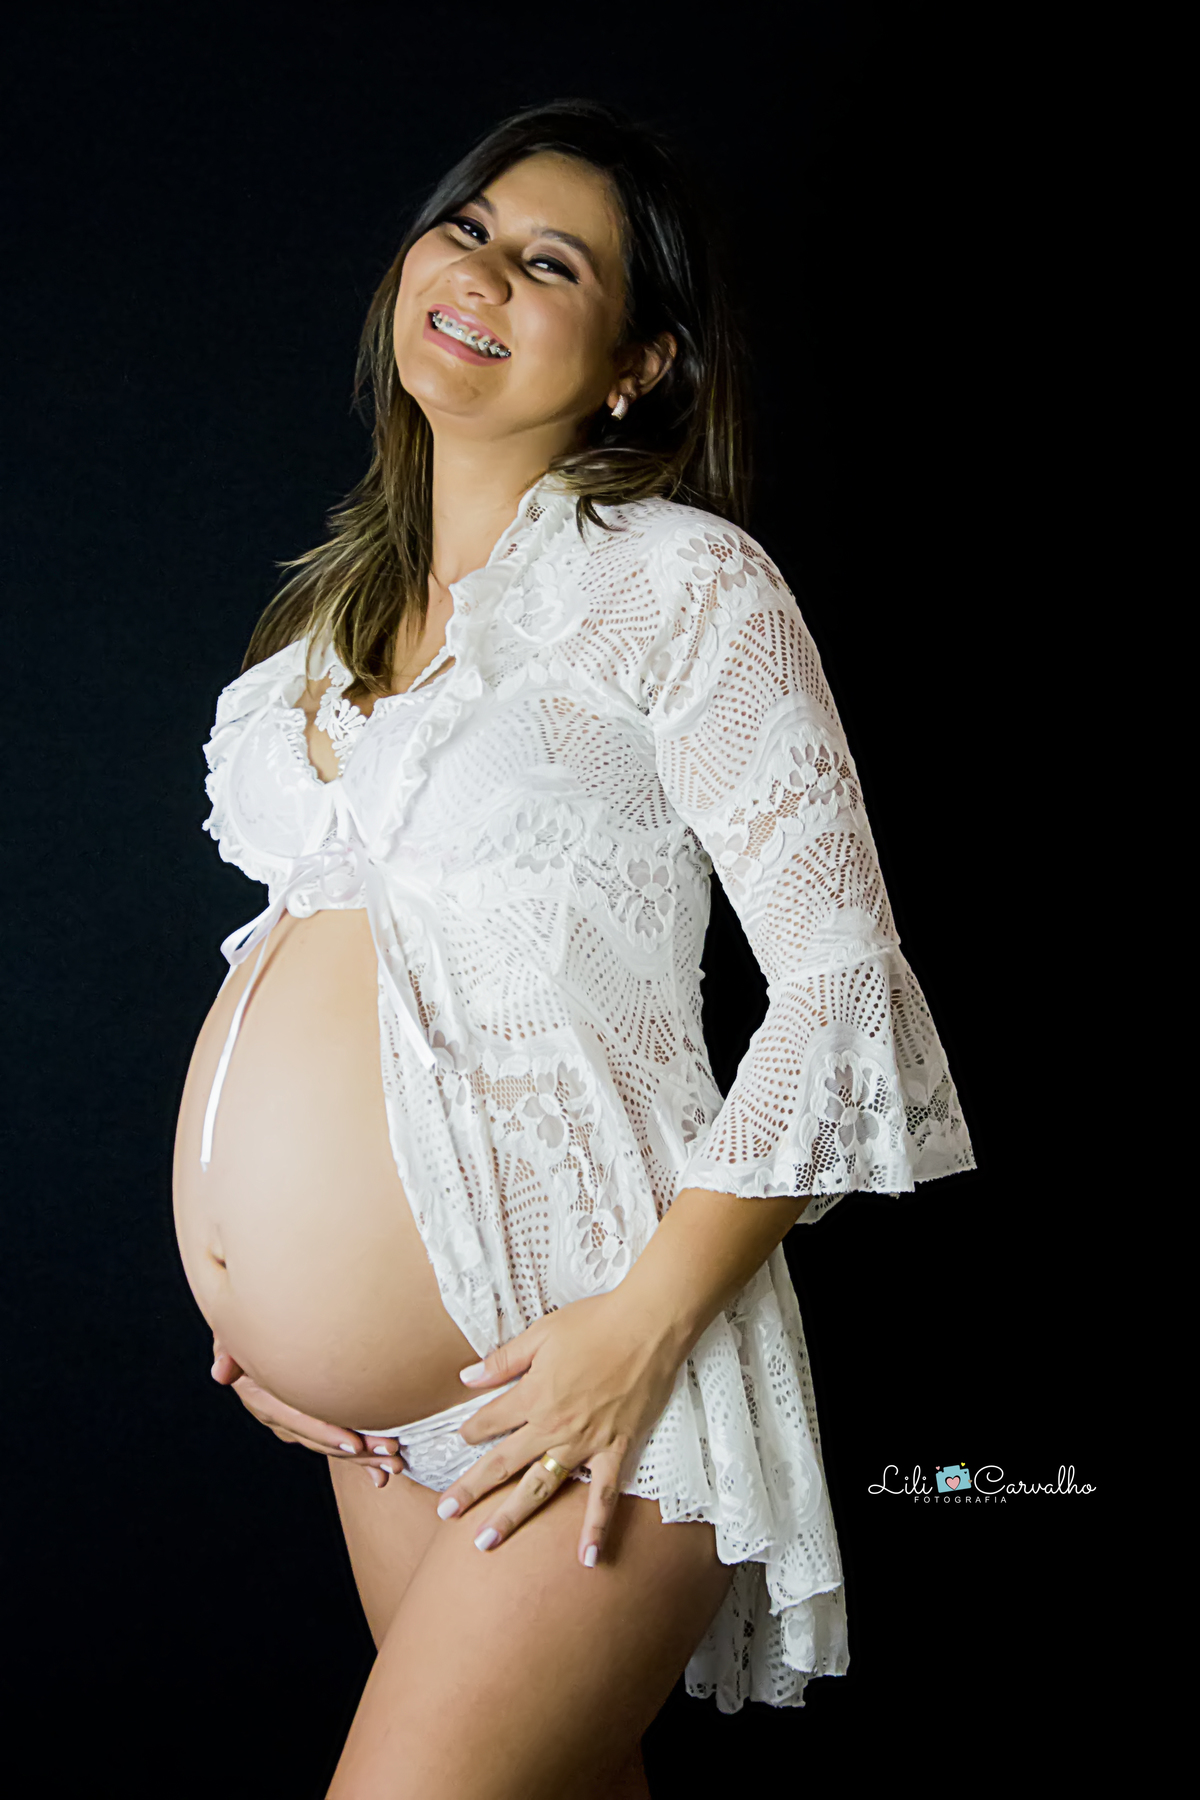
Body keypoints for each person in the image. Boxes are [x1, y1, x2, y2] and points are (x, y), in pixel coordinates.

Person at [172, 99, 976, 1799]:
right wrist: (258, 1305)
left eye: (552, 264)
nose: (481, 272)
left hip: (596, 1367)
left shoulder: (681, 585)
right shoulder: (324, 634)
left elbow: (840, 987)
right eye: (467, 226)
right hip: (381, 1425)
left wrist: (642, 1323)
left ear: (638, 365)